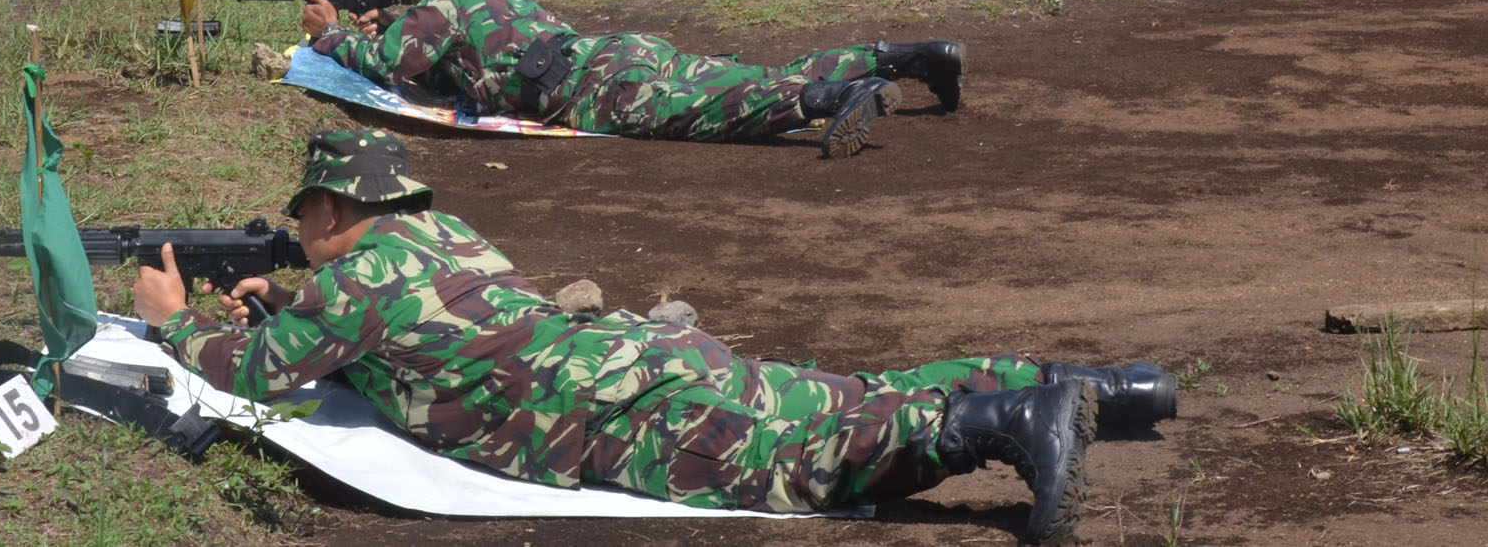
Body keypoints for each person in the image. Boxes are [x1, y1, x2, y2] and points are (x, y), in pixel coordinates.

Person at [135, 129, 1178, 545]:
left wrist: (173, 320)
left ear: (327, 209)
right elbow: (405, 322)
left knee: (799, 461)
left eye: (305, 218)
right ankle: (1102, 385)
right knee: (844, 391)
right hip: (641, 358)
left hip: (601, 413)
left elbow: (250, 371)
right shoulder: (438, 234)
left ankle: (1011, 419)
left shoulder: (349, 283)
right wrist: (291, 293)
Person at [299, 0, 966, 158]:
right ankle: (906, 57)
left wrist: (332, 36)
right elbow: (463, 56)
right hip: (616, 53)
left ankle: (834, 100)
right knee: (756, 75)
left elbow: (390, 65)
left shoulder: (439, 6)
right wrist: (395, 22)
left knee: (720, 109)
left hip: (596, 91)